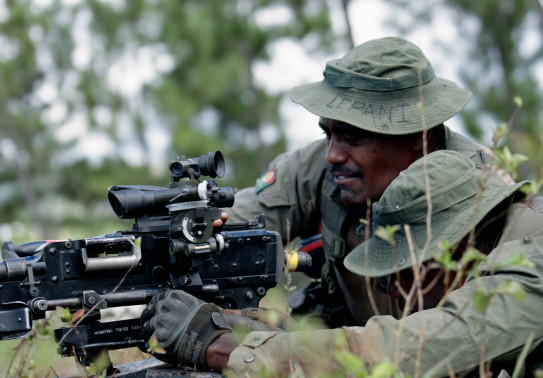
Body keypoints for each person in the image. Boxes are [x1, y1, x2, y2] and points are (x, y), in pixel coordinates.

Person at [140, 150, 543, 376]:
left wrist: (219, 346)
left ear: (454, 250)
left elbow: (398, 353)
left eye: (402, 271)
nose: (390, 291)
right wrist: (273, 334)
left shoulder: (532, 268)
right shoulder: (507, 242)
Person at [227, 36, 512, 327]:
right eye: (329, 134)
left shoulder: (483, 195)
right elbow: (229, 229)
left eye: (353, 137)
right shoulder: (319, 168)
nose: (333, 155)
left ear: (419, 136)